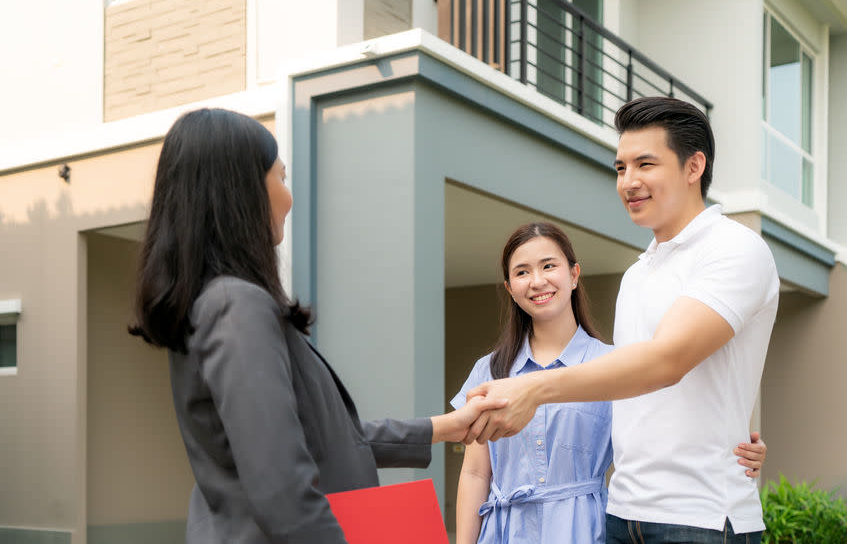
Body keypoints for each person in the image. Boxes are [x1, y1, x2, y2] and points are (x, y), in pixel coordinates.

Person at [128, 108, 504, 544]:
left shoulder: (215, 302)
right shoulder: (236, 306)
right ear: (242, 191)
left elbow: (321, 437)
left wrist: (447, 426)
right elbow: (283, 491)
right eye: (281, 177)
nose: (288, 198)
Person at [464, 97, 779, 543]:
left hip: (700, 518)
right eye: (620, 168)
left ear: (694, 167)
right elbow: (631, 392)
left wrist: (532, 388)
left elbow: (664, 362)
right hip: (622, 514)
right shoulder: (638, 273)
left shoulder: (734, 249)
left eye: (645, 164)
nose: (628, 182)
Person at [453, 221, 768, 544]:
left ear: (574, 275)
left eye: (549, 266)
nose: (537, 281)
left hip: (586, 532)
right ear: (509, 288)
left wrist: (736, 446)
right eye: (521, 272)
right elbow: (476, 472)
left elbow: (659, 432)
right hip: (504, 533)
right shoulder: (489, 370)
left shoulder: (615, 366)